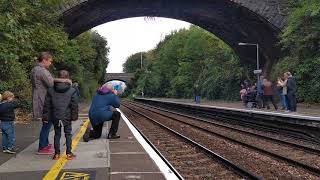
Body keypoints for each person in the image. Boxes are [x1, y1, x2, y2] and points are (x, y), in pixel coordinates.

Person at [30, 52, 71, 155]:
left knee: (47, 123)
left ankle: (45, 144)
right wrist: (64, 80)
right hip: (43, 100)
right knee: (47, 124)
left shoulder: (35, 69)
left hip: (39, 98)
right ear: (44, 60)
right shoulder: (42, 71)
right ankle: (42, 147)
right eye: (50, 61)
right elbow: (51, 83)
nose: (50, 63)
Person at [42, 70, 78, 160]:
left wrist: (46, 117)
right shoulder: (72, 90)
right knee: (68, 134)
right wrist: (74, 116)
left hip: (55, 116)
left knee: (57, 134)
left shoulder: (50, 90)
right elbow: (74, 104)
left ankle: (57, 154)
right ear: (68, 78)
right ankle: (69, 154)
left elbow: (47, 105)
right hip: (67, 116)